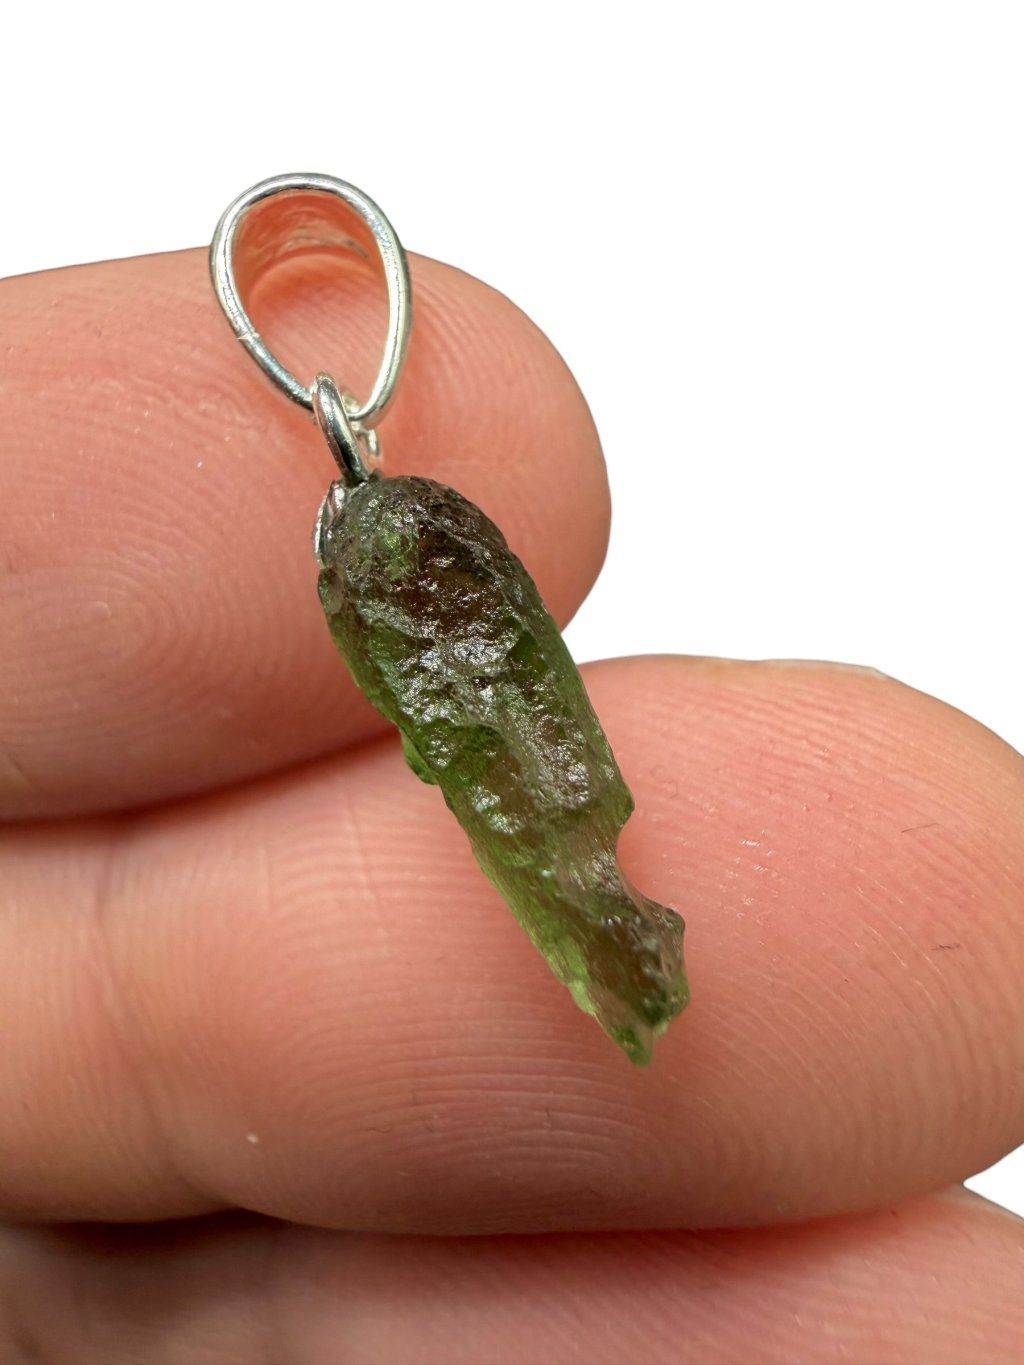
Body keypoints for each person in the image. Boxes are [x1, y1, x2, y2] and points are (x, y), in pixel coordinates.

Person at [0, 244, 1021, 1363]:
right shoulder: (390, 557)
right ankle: (615, 954)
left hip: (539, 771)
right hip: (514, 773)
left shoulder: (405, 552)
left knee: (563, 837)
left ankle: (617, 954)